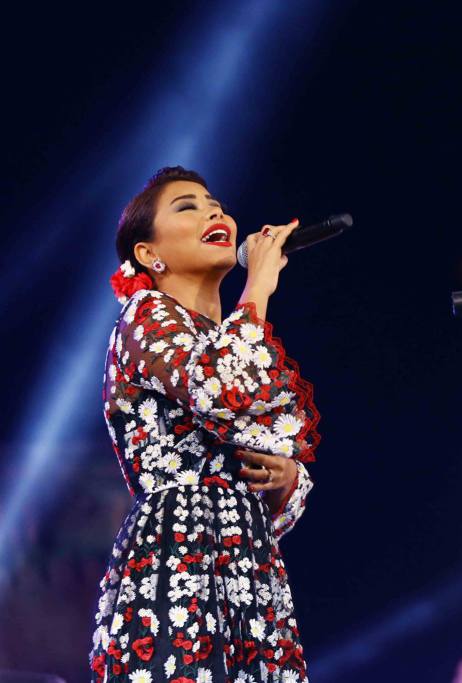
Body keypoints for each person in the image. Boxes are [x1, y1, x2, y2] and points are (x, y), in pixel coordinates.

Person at [89, 166, 320, 682]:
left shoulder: (235, 338)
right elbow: (213, 390)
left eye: (214, 202)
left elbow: (271, 467)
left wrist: (285, 480)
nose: (214, 211)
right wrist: (259, 282)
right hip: (178, 557)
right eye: (186, 206)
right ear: (150, 255)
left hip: (248, 564)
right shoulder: (144, 313)